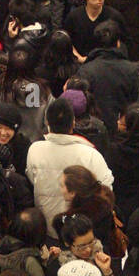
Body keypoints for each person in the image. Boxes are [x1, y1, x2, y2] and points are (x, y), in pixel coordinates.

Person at [26, 96, 113, 231]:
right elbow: (106, 190)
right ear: (73, 123)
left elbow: (32, 179)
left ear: (47, 123)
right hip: (81, 231)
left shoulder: (34, 150)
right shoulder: (90, 154)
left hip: (46, 227)